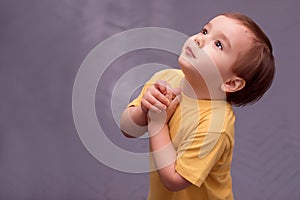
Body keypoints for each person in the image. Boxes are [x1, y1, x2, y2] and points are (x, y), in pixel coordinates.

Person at [120, 12, 275, 200]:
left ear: (230, 83)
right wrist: (144, 109)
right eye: (205, 31)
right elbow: (128, 129)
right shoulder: (166, 79)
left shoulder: (215, 125)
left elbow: (174, 180)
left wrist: (157, 124)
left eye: (218, 44)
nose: (200, 40)